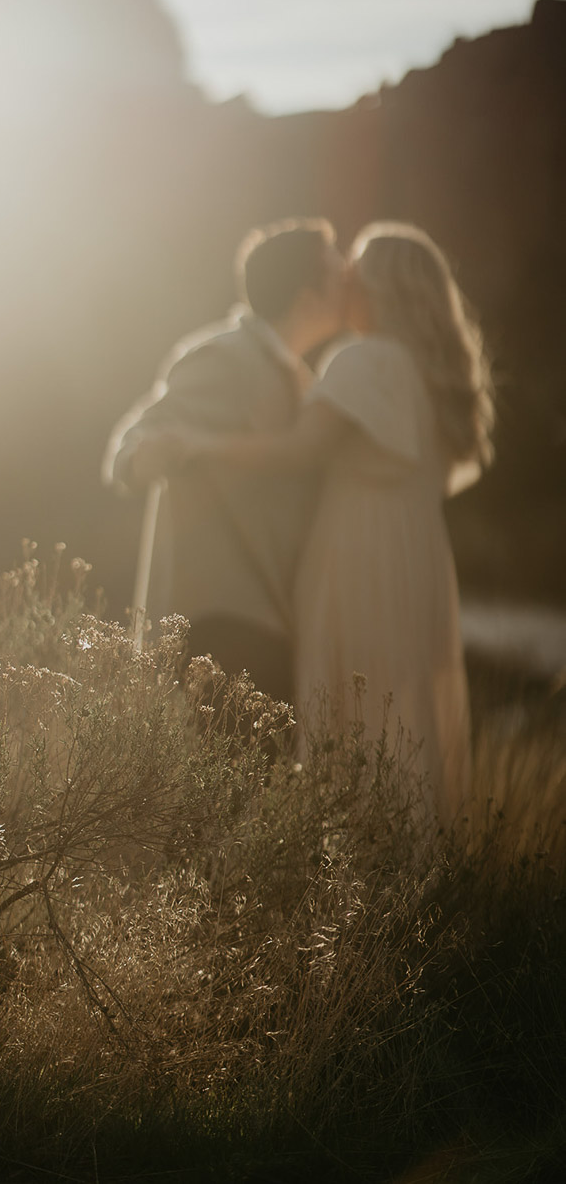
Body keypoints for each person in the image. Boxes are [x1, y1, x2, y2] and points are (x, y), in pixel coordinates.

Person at [153, 222, 494, 827]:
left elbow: (295, 452)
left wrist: (200, 445)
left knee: (355, 718)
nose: (344, 285)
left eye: (354, 276)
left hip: (362, 564)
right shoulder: (430, 378)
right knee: (405, 715)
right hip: (417, 566)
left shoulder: (366, 360)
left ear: (383, 289)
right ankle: (417, 880)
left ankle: (358, 880)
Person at [102, 218, 345, 701]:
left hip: (272, 621)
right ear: (307, 297)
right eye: (337, 270)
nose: (349, 277)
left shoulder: (305, 381)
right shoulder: (226, 357)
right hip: (220, 623)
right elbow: (131, 445)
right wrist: (152, 456)